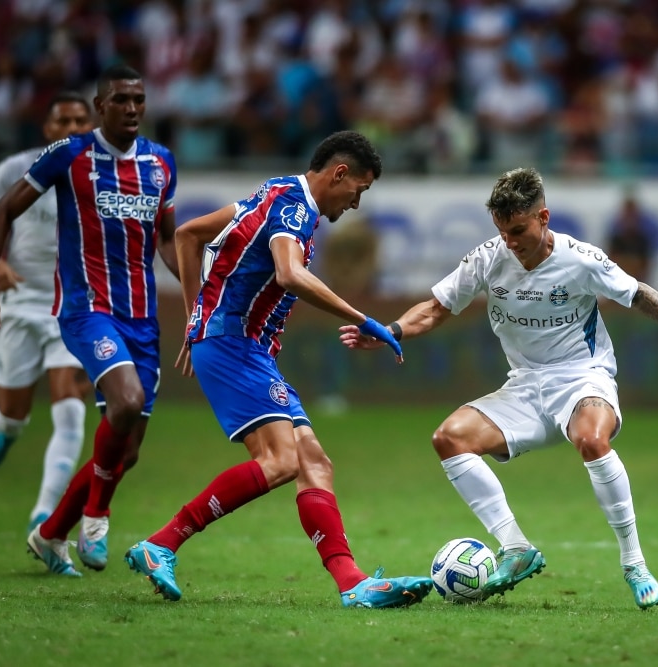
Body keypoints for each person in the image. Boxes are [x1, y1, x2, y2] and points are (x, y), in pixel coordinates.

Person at [340, 167, 658, 610]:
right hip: (525, 387)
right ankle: (516, 548)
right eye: (502, 231)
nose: (510, 242)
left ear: (544, 217)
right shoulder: (488, 257)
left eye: (518, 230)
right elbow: (436, 309)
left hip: (582, 377)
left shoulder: (580, 259)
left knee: (592, 441)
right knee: (449, 438)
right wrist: (391, 330)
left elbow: (638, 294)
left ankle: (634, 563)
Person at [123, 130, 434, 608]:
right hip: (234, 345)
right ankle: (161, 543)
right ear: (339, 173)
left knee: (314, 462)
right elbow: (289, 273)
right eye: (360, 190)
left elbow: (188, 235)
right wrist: (362, 317)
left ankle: (352, 583)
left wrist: (193, 319)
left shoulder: (272, 190)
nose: (355, 203)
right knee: (282, 462)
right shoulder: (296, 208)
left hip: (242, 346)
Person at [0, 64, 180, 577]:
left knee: (125, 452)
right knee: (124, 402)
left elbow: (168, 239)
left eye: (139, 100)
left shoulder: (161, 162)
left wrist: (198, 295)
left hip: (141, 316)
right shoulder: (71, 155)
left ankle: (48, 534)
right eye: (121, 100)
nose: (132, 108)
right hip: (86, 309)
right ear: (101, 105)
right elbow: (1, 213)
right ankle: (96, 515)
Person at [0, 91, 93, 535]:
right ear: (48, 129)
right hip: (21, 302)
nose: (74, 129)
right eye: (64, 121)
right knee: (14, 410)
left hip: (74, 306)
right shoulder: (14, 168)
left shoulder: (103, 174)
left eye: (82, 120)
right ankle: (7, 428)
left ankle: (45, 513)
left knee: (70, 404)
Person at [606, 191, 654, 283]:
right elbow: (610, 263)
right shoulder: (616, 240)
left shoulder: (642, 240)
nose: (630, 219)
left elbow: (646, 265)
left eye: (632, 215)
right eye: (627, 215)